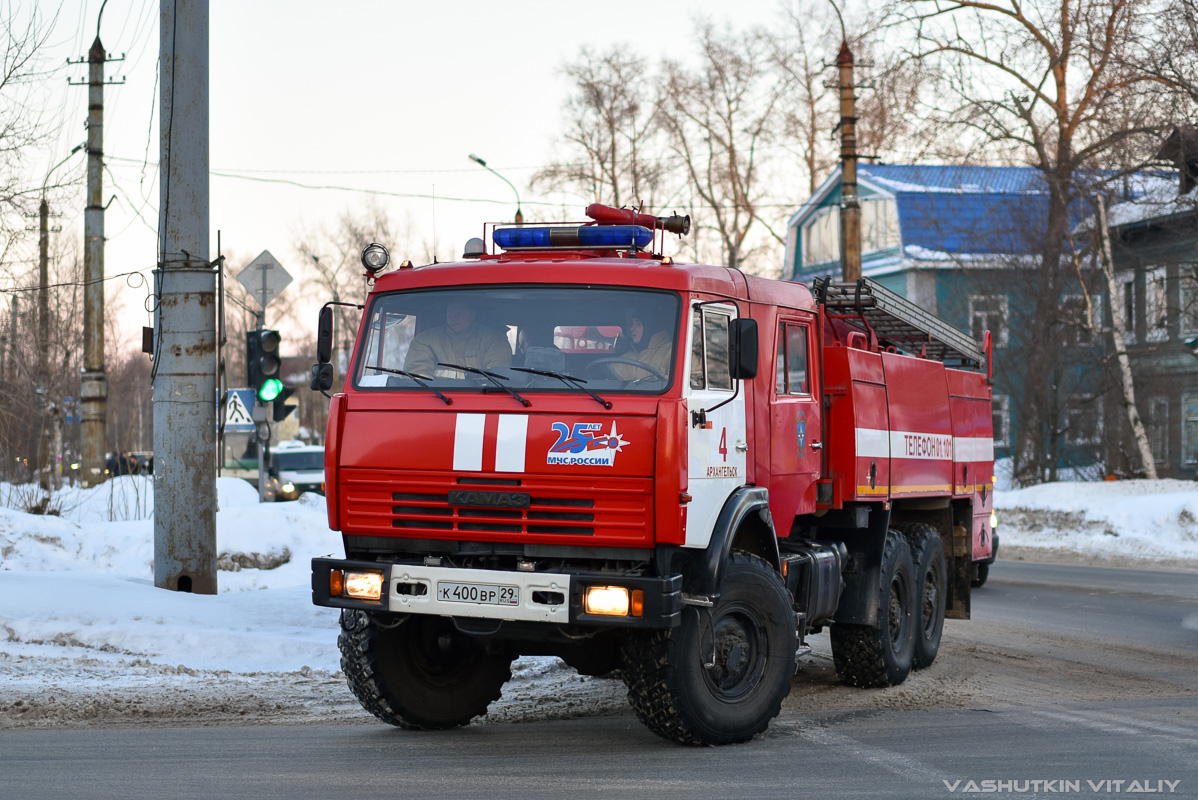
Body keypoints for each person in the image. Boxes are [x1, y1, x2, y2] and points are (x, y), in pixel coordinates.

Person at [404, 300, 512, 379]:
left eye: (459, 314)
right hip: (437, 401)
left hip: (481, 402)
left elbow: (496, 380)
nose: (453, 318)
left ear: (472, 315)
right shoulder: (425, 340)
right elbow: (415, 379)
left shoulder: (495, 340)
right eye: (450, 313)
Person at [613, 312, 672, 380]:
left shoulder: (671, 353)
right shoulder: (623, 359)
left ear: (651, 326)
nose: (632, 329)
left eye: (638, 324)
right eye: (632, 324)